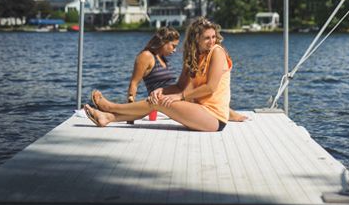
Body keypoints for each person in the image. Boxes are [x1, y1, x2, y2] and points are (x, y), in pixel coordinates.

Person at [84, 17, 237, 132]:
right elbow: (179, 86)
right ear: (196, 39)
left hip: (214, 118)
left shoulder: (217, 52)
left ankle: (111, 107)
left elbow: (210, 88)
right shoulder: (194, 56)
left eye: (213, 36)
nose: (212, 41)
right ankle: (108, 117)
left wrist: (180, 97)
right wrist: (161, 91)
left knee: (159, 102)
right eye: (207, 38)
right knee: (158, 98)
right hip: (199, 110)